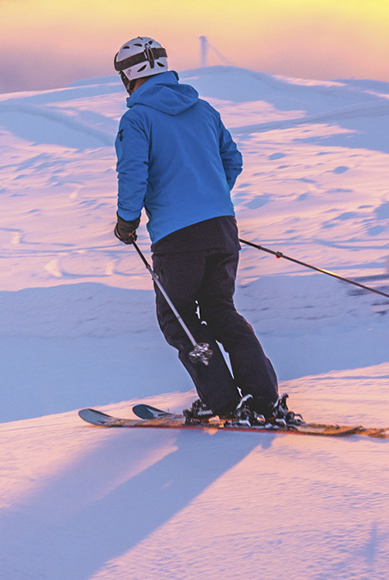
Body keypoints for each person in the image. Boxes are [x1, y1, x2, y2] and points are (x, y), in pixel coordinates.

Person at [111, 36, 301, 427]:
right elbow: (232, 160)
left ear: (129, 76)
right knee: (220, 310)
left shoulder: (137, 119)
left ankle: (225, 404)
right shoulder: (204, 110)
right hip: (222, 228)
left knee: (180, 320)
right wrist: (208, 201)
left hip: (177, 238)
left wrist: (127, 221)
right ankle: (264, 399)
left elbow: (133, 174)